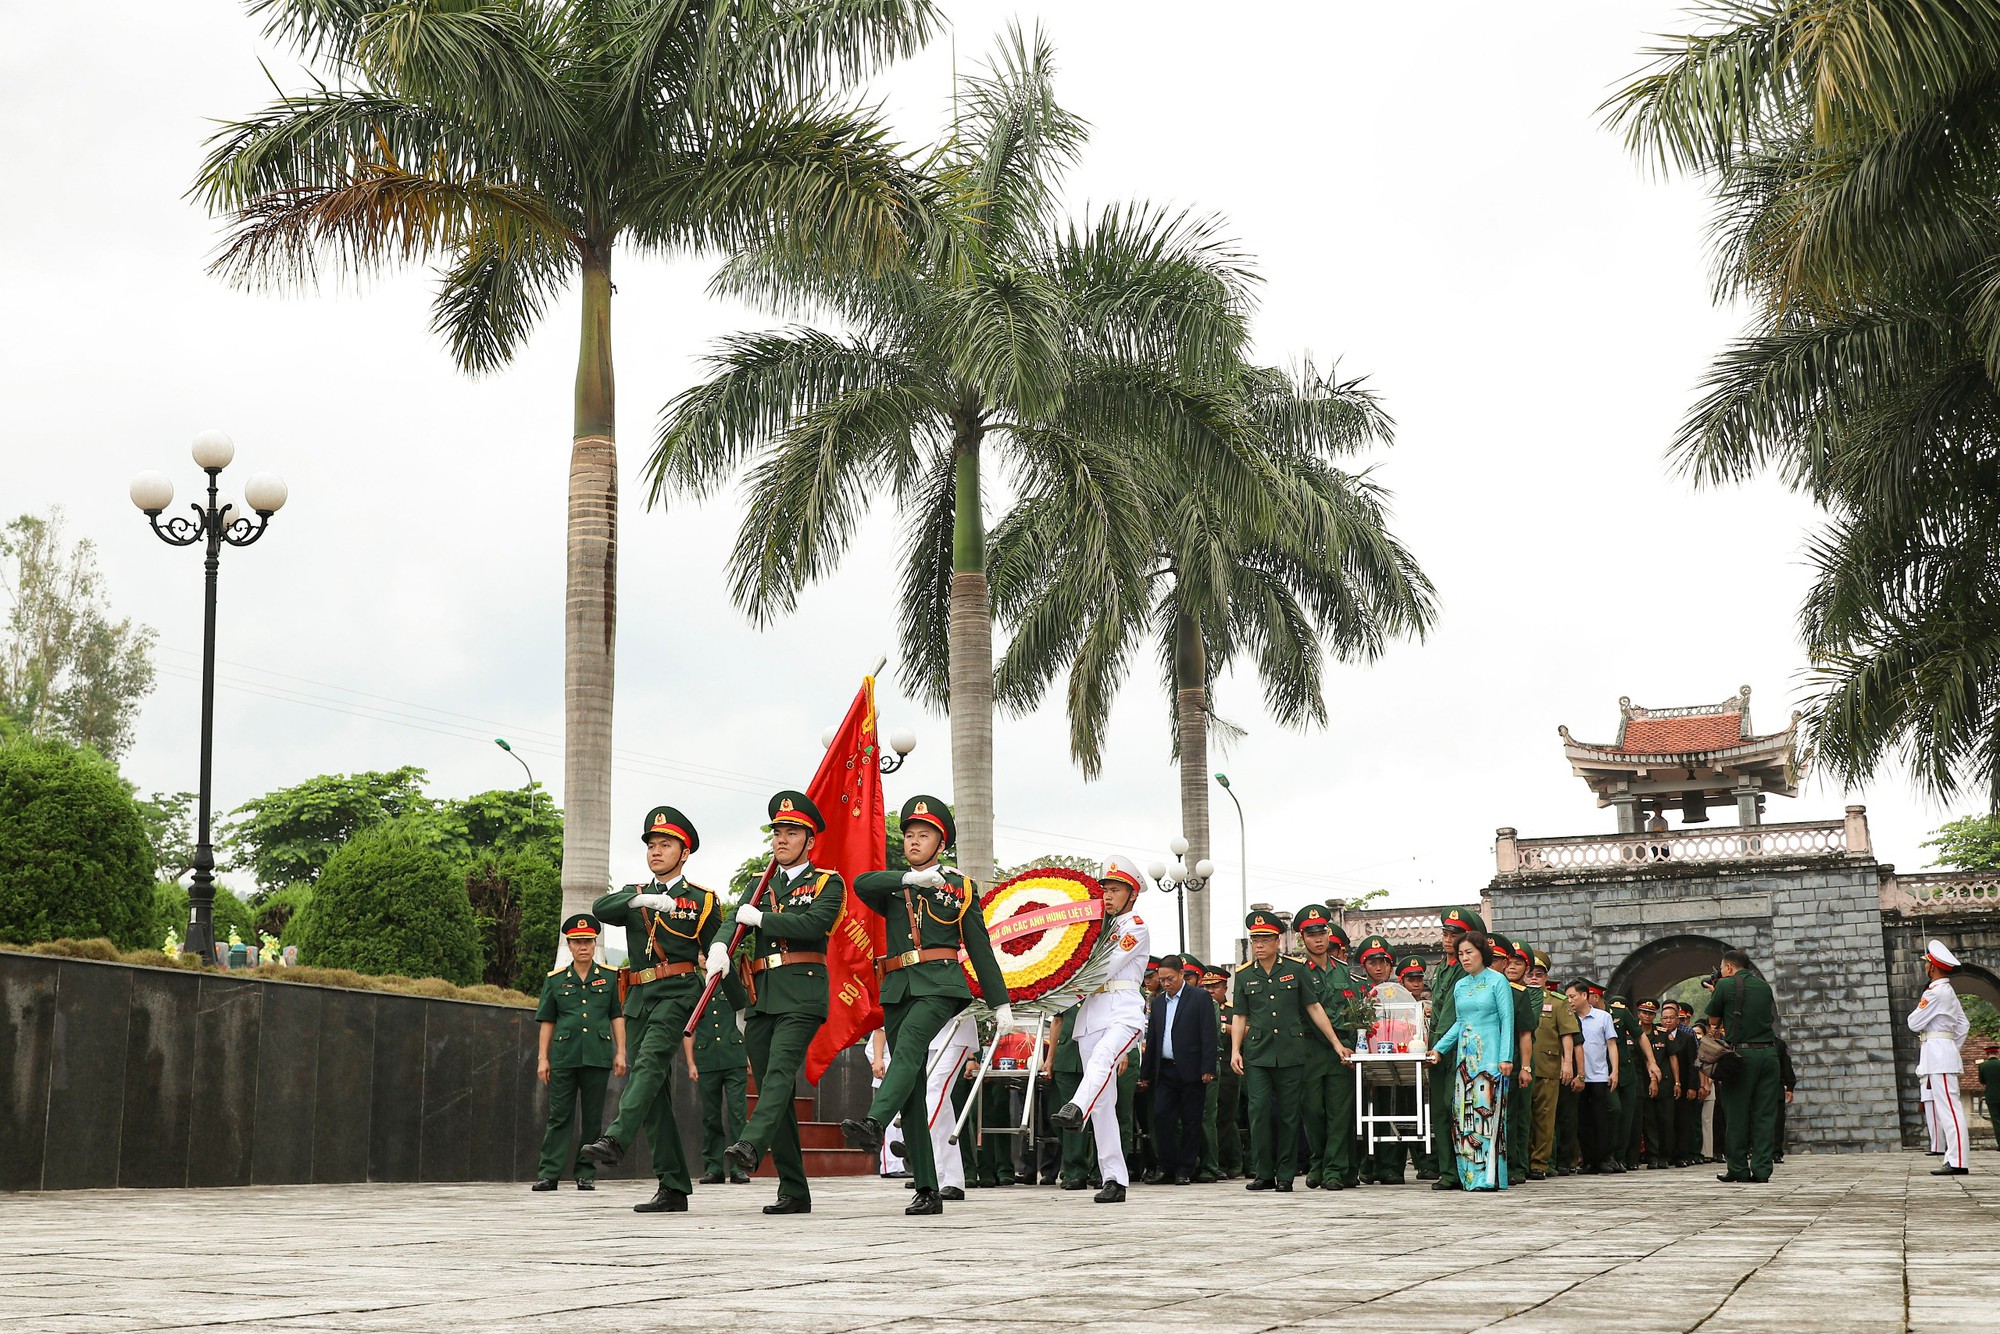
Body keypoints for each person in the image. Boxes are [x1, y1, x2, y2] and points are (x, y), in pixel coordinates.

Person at [842, 794, 1011, 1216]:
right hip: (898, 986)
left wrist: (1000, 1002)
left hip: (940, 985)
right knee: (912, 1081)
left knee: (914, 1043)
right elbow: (860, 884)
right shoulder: (895, 885)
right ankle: (927, 1188)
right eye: (911, 835)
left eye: (924, 835)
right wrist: (907, 881)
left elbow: (980, 946)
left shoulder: (960, 887)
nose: (914, 842)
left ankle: (876, 1121)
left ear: (942, 842)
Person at [580, 806, 729, 1213]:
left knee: (647, 1064)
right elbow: (600, 909)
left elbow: (720, 950)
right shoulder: (634, 895)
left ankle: (615, 1138)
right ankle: (673, 1185)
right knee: (654, 1094)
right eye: (652, 845)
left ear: (685, 853)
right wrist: (639, 898)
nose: (656, 851)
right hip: (639, 997)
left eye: (666, 845)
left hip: (679, 992)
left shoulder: (702, 900)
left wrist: (737, 994)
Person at [721, 790, 849, 1215]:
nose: (781, 838)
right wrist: (721, 948)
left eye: (791, 832)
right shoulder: (760, 885)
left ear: (809, 841)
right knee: (776, 1091)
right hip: (762, 997)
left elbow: (814, 925)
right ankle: (794, 1190)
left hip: (802, 992)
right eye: (777, 831)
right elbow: (731, 921)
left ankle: (750, 1144)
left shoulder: (828, 882)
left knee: (778, 1074)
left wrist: (763, 920)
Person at [1050, 857, 1152, 1203]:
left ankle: (1075, 1107)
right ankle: (1114, 1178)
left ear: (1131, 895)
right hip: (1091, 1012)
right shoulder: (1093, 927)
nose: (1108, 896)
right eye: (1105, 890)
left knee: (1104, 1059)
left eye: (1116, 890)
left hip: (1123, 1010)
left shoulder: (1134, 927)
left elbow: (1104, 966)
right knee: (1105, 1102)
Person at [1231, 907, 1353, 1193]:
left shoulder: (1296, 970)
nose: (1259, 945)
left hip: (1291, 1051)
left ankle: (1285, 1174)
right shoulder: (1244, 975)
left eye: (1265, 939)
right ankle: (1263, 1172)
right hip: (1258, 1053)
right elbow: (1239, 1015)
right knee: (1258, 1111)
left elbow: (1313, 1007)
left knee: (1289, 1114)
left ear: (1278, 942)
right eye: (1255, 940)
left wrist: (1336, 1043)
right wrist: (1235, 1050)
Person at [534, 914, 628, 1192]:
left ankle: (585, 1173)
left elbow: (617, 1017)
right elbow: (547, 1021)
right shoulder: (555, 980)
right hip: (565, 1056)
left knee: (592, 1118)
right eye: (577, 942)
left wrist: (621, 1052)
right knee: (559, 1116)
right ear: (569, 946)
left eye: (587, 941)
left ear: (595, 943)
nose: (583, 947)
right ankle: (549, 1173)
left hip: (597, 1056)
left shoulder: (610, 978)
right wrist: (542, 1058)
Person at [1427, 929, 1515, 1191]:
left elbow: (1507, 1021)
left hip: (1490, 1059)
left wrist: (1506, 1058)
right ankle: (1469, 1178)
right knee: (1463, 1118)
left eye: (1470, 953)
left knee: (1487, 1117)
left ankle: (1489, 1177)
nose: (1465, 959)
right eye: (1461, 954)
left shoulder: (1498, 981)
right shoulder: (1460, 985)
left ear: (1482, 954)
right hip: (1465, 1060)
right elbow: (1459, 1023)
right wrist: (1439, 1049)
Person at [1292, 904, 1360, 1191]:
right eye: (1311, 934)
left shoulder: (1345, 972)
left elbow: (1358, 1010)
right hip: (1309, 1049)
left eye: (1321, 932)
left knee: (1339, 1111)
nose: (1317, 939)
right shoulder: (1295, 972)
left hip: (1341, 1050)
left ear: (1329, 934)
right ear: (1302, 938)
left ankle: (1334, 1169)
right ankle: (1318, 1161)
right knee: (1312, 1111)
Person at [1138, 952, 1217, 1185]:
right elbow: (1152, 1039)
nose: (1166, 983)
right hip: (1165, 1070)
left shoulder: (1199, 997)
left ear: (1181, 974)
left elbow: (1208, 1035)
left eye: (1170, 978)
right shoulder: (1158, 1002)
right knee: (1162, 1118)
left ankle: (1185, 1168)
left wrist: (1208, 1068)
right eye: (1162, 979)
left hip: (1192, 1069)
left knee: (1191, 1121)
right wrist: (1146, 1074)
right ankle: (1166, 1166)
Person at [1703, 949, 1781, 1182]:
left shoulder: (1725, 985)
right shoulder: (1764, 986)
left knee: (1737, 1114)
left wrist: (1715, 992)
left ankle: (1738, 1168)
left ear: (1728, 968)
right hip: (1768, 1054)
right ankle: (1762, 1169)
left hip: (1742, 1056)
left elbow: (1714, 1020)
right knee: (1765, 1115)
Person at [1424, 907, 1482, 1189]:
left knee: (1458, 1109)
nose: (1449, 940)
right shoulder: (1441, 968)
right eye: (1446, 933)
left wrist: (1438, 1046)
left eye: (1455, 935)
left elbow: (1450, 1015)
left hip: (1456, 1048)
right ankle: (1447, 1168)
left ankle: (1458, 1171)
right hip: (1437, 1048)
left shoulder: (1464, 970)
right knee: (1440, 1110)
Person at [1906, 939, 1973, 1177]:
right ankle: (1953, 1158)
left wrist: (1944, 1046)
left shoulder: (1935, 992)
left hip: (1938, 1054)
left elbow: (1913, 1022)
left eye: (1926, 963)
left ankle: (1957, 1160)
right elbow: (1963, 1025)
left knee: (1949, 1110)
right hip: (1940, 1052)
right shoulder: (1948, 992)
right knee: (1948, 1109)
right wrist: (1951, 1046)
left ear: (1931, 967)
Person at [692, 967, 749, 1185]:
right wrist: (690, 1062)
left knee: (737, 1112)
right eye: (702, 953)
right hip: (706, 1058)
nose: (705, 958)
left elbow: (746, 1018)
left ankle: (739, 1166)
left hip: (734, 1055)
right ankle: (713, 1167)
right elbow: (690, 1027)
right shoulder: (695, 985)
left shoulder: (731, 980)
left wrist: (750, 1055)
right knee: (711, 1116)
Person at [1524, 949, 1576, 1181]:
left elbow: (1567, 1035)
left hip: (1547, 1065)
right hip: (1523, 1067)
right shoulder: (1517, 997)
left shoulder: (1557, 1002)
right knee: (1524, 1117)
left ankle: (1540, 1162)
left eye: (1538, 974)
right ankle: (1522, 1160)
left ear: (1546, 978)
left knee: (1545, 1118)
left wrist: (1568, 1063)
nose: (1534, 978)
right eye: (1530, 974)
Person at [1564, 979, 1621, 1174]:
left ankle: (1603, 1159)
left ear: (1584, 996)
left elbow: (1612, 1045)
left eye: (1572, 996)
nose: (1569, 1000)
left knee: (1601, 1119)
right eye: (1567, 997)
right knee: (1583, 1121)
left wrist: (1614, 1071)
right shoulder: (1568, 1017)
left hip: (1598, 1075)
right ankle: (1588, 1160)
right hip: (1578, 1077)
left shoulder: (1603, 1017)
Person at [1494, 936, 1537, 1184]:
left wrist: (1525, 1067)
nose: (1509, 967)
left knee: (1513, 1116)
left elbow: (1525, 1033)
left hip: (1512, 1061)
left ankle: (1513, 1165)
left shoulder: (1518, 994)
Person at [1201, 963, 1244, 1180]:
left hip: (1229, 1068)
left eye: (1215, 987)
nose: (1210, 991)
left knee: (1226, 1118)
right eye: (1206, 987)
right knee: (1210, 1117)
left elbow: (1246, 1029)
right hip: (1209, 1069)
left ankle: (1233, 1163)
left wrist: (1220, 1026)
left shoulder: (1233, 1010)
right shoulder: (1200, 1009)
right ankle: (1217, 1161)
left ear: (1224, 987)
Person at [1607, 992, 1654, 1170]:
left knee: (1630, 1121)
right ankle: (1611, 1155)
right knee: (1614, 1113)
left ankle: (1626, 1157)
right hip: (1607, 1075)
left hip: (1630, 1078)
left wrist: (1652, 1064)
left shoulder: (1634, 1032)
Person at [1658, 1000, 1702, 1167]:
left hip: (1682, 1085)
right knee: (1664, 1121)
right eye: (1665, 1018)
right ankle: (1664, 1154)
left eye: (1671, 1018)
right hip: (1663, 1085)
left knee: (1682, 1121)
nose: (1668, 1021)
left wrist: (1692, 1086)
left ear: (1678, 1019)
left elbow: (1693, 1064)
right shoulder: (1657, 1035)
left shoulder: (1687, 1037)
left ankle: (1681, 1155)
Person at [1637, 999, 1677, 1169]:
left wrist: (1678, 1082)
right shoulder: (1634, 1032)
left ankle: (1665, 1156)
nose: (1647, 1016)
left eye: (1651, 1013)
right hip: (1643, 1082)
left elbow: (1673, 1057)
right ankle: (1652, 1156)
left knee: (1666, 1120)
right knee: (1649, 1121)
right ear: (1638, 1013)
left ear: (1655, 1016)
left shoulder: (1662, 1033)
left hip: (1665, 1083)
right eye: (1644, 1012)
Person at [1978, 1044, 2000, 1148]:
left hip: (1991, 1096)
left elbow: (1982, 1081)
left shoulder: (1982, 1066)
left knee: (1996, 1121)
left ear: (1987, 1054)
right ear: (1997, 1053)